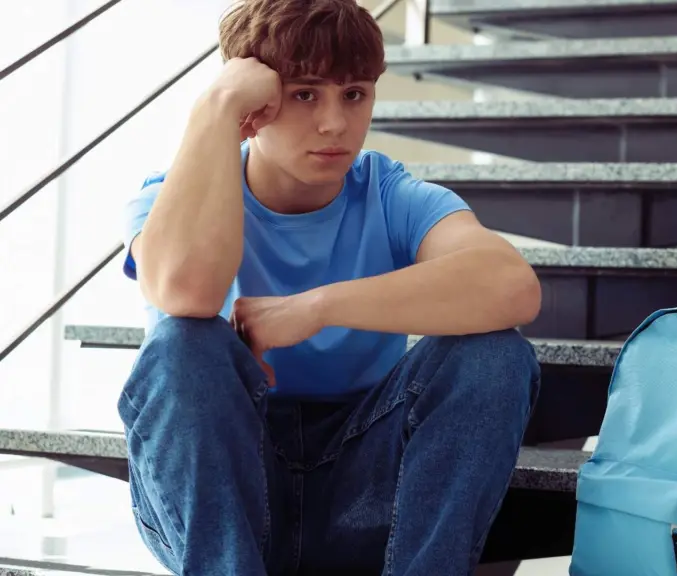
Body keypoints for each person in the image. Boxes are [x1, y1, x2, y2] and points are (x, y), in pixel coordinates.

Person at [115, 0, 543, 574]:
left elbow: (513, 286)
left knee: (493, 354)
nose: (335, 124)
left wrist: (319, 307)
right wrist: (214, 109)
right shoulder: (170, 197)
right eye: (304, 94)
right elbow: (184, 293)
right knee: (180, 347)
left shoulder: (389, 194)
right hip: (228, 505)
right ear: (254, 102)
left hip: (364, 494)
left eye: (354, 94)